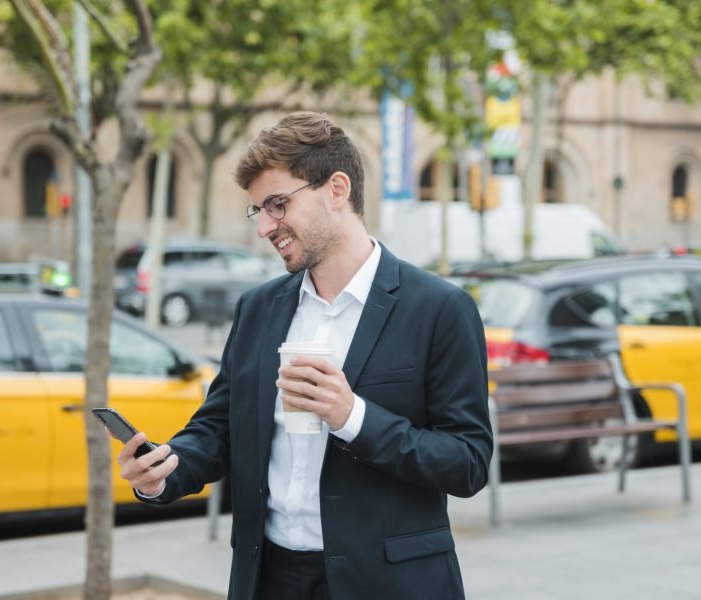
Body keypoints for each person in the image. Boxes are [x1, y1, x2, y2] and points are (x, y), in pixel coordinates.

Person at [117, 112, 492, 600]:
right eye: (258, 211)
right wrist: (163, 471)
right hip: (269, 578)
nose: (265, 227)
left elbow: (467, 463)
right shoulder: (258, 308)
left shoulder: (440, 309)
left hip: (388, 584)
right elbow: (217, 429)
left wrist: (351, 416)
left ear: (337, 189)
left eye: (277, 205)